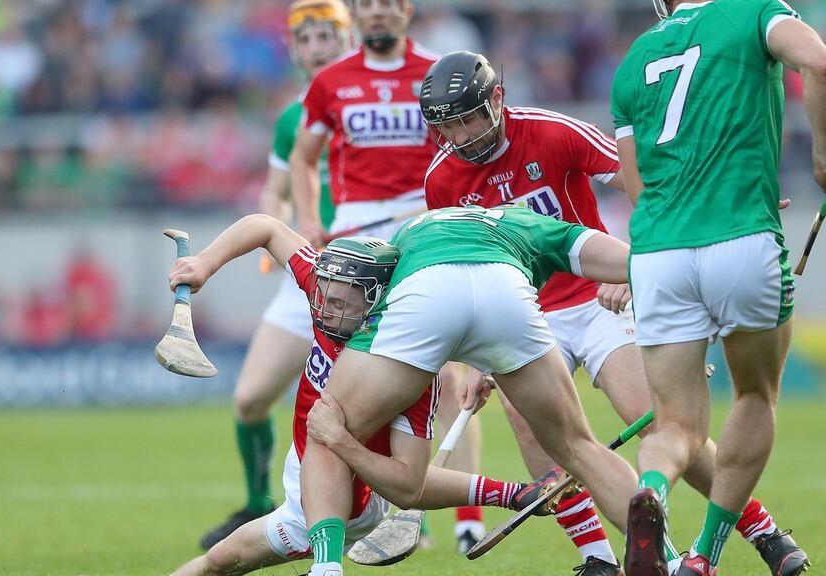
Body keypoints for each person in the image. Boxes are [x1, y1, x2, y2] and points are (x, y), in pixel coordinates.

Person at [421, 50, 807, 576]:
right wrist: (472, 361)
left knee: (657, 420)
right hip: (524, 315)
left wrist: (723, 202)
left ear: (496, 99)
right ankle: (608, 558)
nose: (461, 136)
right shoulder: (442, 181)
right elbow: (460, 274)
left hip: (596, 296)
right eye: (448, 126)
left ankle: (765, 534)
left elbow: (641, 178)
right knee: (531, 424)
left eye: (468, 118)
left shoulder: (551, 132)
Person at [610, 1, 826, 574]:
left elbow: (633, 183)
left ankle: (651, 489)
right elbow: (821, 66)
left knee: (675, 426)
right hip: (742, 238)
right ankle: (704, 556)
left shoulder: (633, 59)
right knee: (754, 395)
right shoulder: (755, 13)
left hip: (658, 252)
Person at [168, 217, 554, 576]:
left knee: (215, 562)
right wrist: (206, 263)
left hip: (342, 499)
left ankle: (325, 566)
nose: (322, 307)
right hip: (310, 473)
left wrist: (340, 440)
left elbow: (407, 485)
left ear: (373, 301)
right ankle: (514, 493)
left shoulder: (407, 366)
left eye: (337, 303)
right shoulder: (334, 283)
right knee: (217, 561)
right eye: (321, 293)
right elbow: (265, 226)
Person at [291, 205, 645, 576]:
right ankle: (666, 558)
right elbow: (641, 262)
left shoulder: (407, 234)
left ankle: (326, 569)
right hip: (505, 293)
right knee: (579, 447)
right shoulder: (530, 223)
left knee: (329, 428)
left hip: (425, 293)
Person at [288, 0, 484, 548]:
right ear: (356, 12)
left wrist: (444, 208)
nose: (376, 13)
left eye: (387, 4)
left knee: (447, 378)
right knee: (355, 379)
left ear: (406, 9)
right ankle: (373, 502)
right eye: (366, 5)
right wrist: (309, 220)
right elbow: (305, 158)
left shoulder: (436, 72)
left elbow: (465, 151)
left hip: (421, 234)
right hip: (352, 244)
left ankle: (467, 520)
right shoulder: (330, 81)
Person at [197, 0, 353, 550]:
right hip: (307, 273)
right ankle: (259, 501)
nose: (316, 46)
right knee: (249, 399)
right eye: (305, 37)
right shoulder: (292, 118)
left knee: (385, 398)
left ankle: (410, 516)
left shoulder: (366, 102)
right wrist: (274, 233)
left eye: (325, 35)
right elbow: (274, 192)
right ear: (293, 48)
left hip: (365, 276)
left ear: (346, 37)